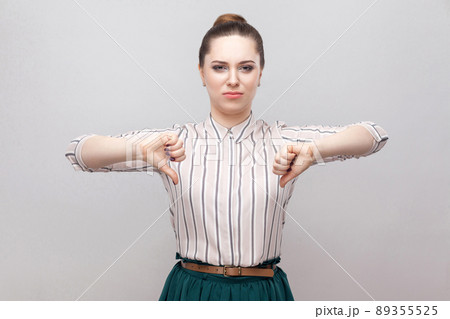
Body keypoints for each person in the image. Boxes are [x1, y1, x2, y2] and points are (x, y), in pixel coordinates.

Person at [65, 13, 389, 301]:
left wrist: (313, 152)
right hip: (192, 292)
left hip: (263, 293)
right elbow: (79, 151)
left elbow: (373, 136)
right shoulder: (172, 142)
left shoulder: (285, 141)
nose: (233, 79)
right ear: (202, 73)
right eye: (220, 67)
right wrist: (140, 151)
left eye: (245, 67)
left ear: (260, 73)